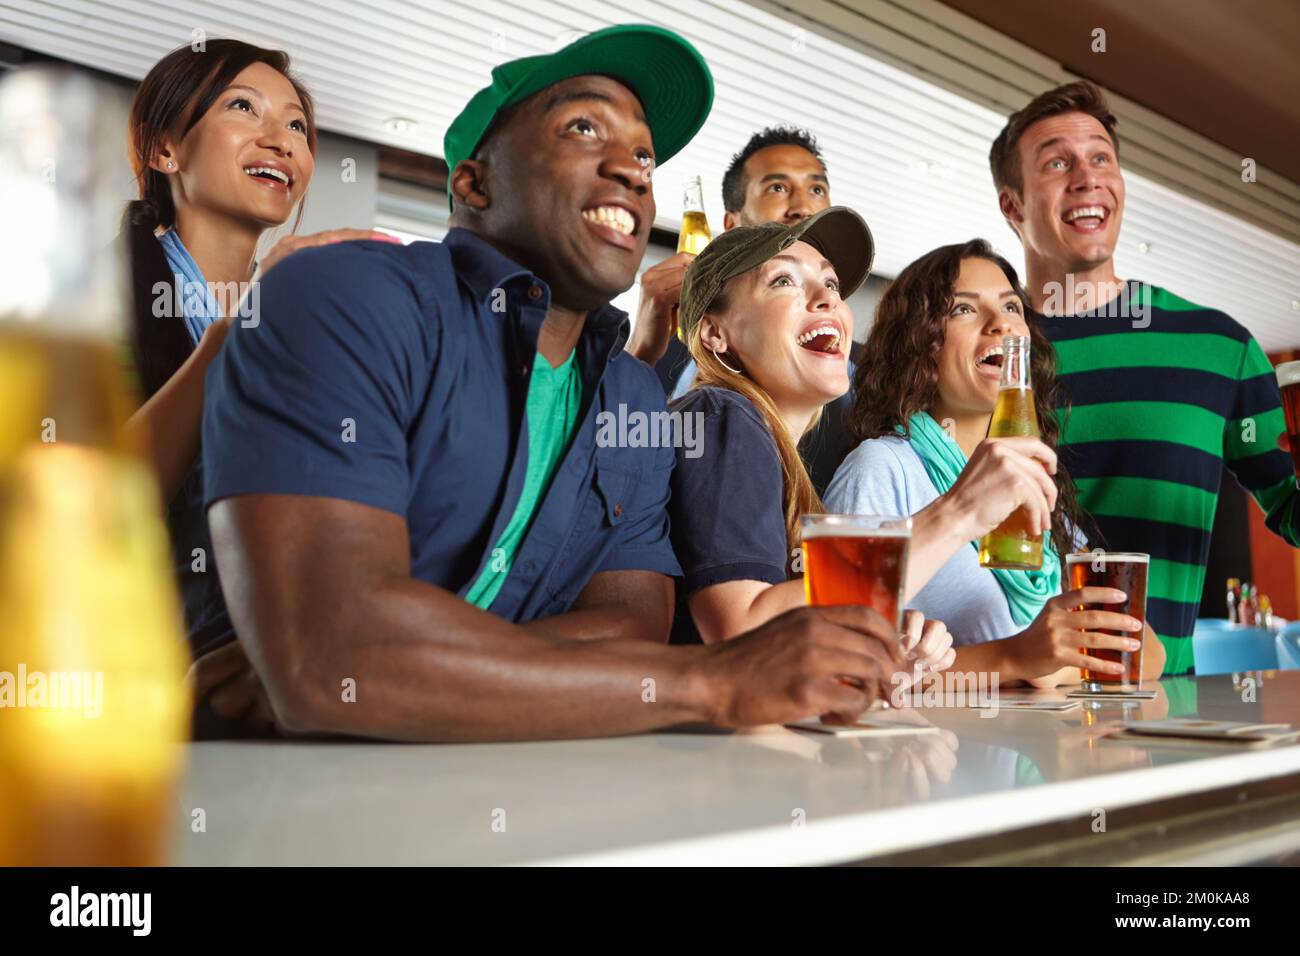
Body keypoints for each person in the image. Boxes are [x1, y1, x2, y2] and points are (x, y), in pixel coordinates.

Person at [197, 25, 905, 742]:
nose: (632, 170)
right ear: (475, 180)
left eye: (644, 156)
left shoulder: (631, 397)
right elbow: (333, 659)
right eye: (583, 127)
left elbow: (632, 629)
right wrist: (715, 683)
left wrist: (401, 660)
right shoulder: (341, 296)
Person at [989, 80, 1299, 674]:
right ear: (1013, 206)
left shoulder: (1220, 348)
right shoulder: (980, 353)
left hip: (1160, 709)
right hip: (1006, 708)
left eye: (1101, 158)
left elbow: (1290, 508)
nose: (1087, 177)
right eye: (1058, 162)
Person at [120, 39, 398, 663]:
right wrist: (232, 335)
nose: (281, 140)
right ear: (166, 148)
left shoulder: (300, 320)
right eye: (243, 108)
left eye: (296, 124)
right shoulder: (87, 292)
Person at [826, 241, 1164, 686]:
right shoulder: (882, 467)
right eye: (964, 310)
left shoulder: (1030, 480)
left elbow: (1146, 651)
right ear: (921, 341)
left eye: (1011, 307)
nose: (1000, 323)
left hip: (1039, 752)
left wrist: (1050, 668)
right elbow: (834, 662)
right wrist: (1017, 660)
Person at [665, 206, 954, 679]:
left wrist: (877, 653)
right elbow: (745, 634)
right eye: (783, 281)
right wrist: (962, 512)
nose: (827, 300)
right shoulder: (723, 416)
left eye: (832, 284)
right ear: (716, 333)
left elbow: (789, 652)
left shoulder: (767, 452)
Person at [628, 125, 857, 493]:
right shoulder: (655, 355)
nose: (802, 206)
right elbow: (612, 460)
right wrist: (640, 352)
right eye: (777, 188)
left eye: (816, 189)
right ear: (731, 224)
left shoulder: (858, 369)